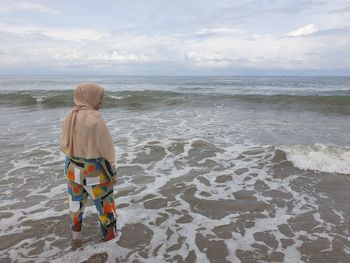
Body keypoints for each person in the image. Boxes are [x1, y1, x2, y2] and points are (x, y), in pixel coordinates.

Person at [59, 82, 117, 241]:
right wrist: (113, 172)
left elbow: (66, 144)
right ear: (90, 97)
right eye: (100, 98)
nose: (101, 101)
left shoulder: (70, 115)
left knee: (75, 206)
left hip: (72, 169)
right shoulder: (95, 117)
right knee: (106, 207)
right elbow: (106, 151)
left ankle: (76, 239)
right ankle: (110, 240)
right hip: (94, 173)